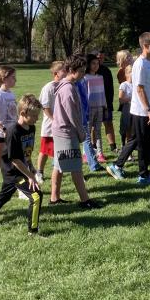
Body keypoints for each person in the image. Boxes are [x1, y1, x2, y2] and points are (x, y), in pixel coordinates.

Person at [0, 94, 43, 235]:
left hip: (22, 169)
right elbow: (15, 160)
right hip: (12, 172)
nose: (37, 119)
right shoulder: (12, 131)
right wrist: (30, 177)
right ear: (23, 113)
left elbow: (26, 151)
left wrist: (31, 166)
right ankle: (33, 231)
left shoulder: (31, 128)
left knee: (4, 197)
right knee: (36, 195)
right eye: (34, 116)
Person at [107, 32, 150, 185]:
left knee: (136, 139)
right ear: (145, 46)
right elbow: (140, 89)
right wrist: (149, 110)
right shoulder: (141, 64)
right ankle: (143, 175)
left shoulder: (148, 63)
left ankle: (116, 165)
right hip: (141, 110)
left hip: (145, 109)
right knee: (142, 143)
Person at [50, 54, 102, 209]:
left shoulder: (69, 85)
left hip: (62, 131)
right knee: (76, 167)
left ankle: (54, 198)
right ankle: (85, 200)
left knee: (59, 166)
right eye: (81, 71)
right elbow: (72, 114)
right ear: (71, 70)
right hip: (66, 133)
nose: (83, 74)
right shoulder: (68, 89)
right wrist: (81, 133)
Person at [0, 66, 27, 203]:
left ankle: (21, 191)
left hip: (12, 134)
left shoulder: (11, 94)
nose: (15, 80)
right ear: (4, 79)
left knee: (17, 162)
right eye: (13, 77)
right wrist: (3, 130)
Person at [36, 61, 66, 184]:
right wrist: (54, 120)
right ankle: (39, 172)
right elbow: (45, 106)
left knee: (61, 150)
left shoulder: (66, 86)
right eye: (64, 70)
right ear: (56, 73)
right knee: (44, 151)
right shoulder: (49, 87)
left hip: (62, 126)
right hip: (50, 127)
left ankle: (63, 171)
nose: (67, 72)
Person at [84, 54, 108, 163]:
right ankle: (86, 153)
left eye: (97, 63)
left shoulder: (100, 77)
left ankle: (100, 153)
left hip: (99, 108)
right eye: (93, 63)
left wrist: (105, 106)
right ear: (88, 64)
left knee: (98, 131)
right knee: (87, 132)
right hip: (88, 109)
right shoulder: (84, 78)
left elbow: (103, 93)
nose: (95, 65)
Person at [95, 50, 118, 153]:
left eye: (103, 58)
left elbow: (110, 89)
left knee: (108, 123)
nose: (101, 60)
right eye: (99, 57)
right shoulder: (88, 71)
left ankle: (113, 147)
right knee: (94, 127)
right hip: (94, 104)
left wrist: (109, 103)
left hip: (106, 103)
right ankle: (94, 147)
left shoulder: (106, 70)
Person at [118, 65, 133, 149]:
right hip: (127, 110)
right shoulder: (124, 85)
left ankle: (129, 149)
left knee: (132, 131)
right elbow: (121, 100)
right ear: (127, 73)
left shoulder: (137, 84)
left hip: (135, 110)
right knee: (126, 130)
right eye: (132, 72)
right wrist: (131, 98)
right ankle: (124, 147)